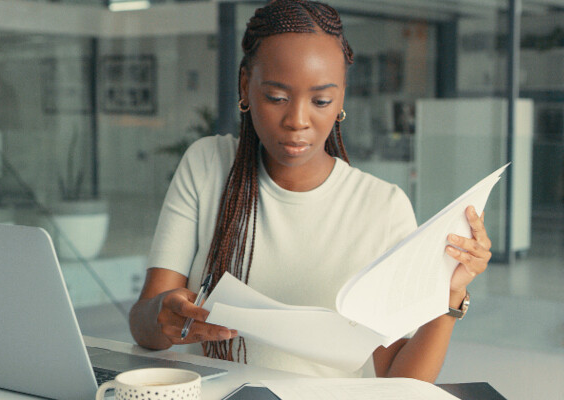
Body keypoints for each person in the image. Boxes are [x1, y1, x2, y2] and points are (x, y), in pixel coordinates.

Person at [129, 0, 492, 382]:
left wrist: (449, 296)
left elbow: (401, 382)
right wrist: (162, 318)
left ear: (341, 98)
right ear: (244, 85)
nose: (298, 120)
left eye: (321, 100)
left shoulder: (382, 207)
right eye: (277, 97)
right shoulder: (207, 165)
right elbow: (144, 325)